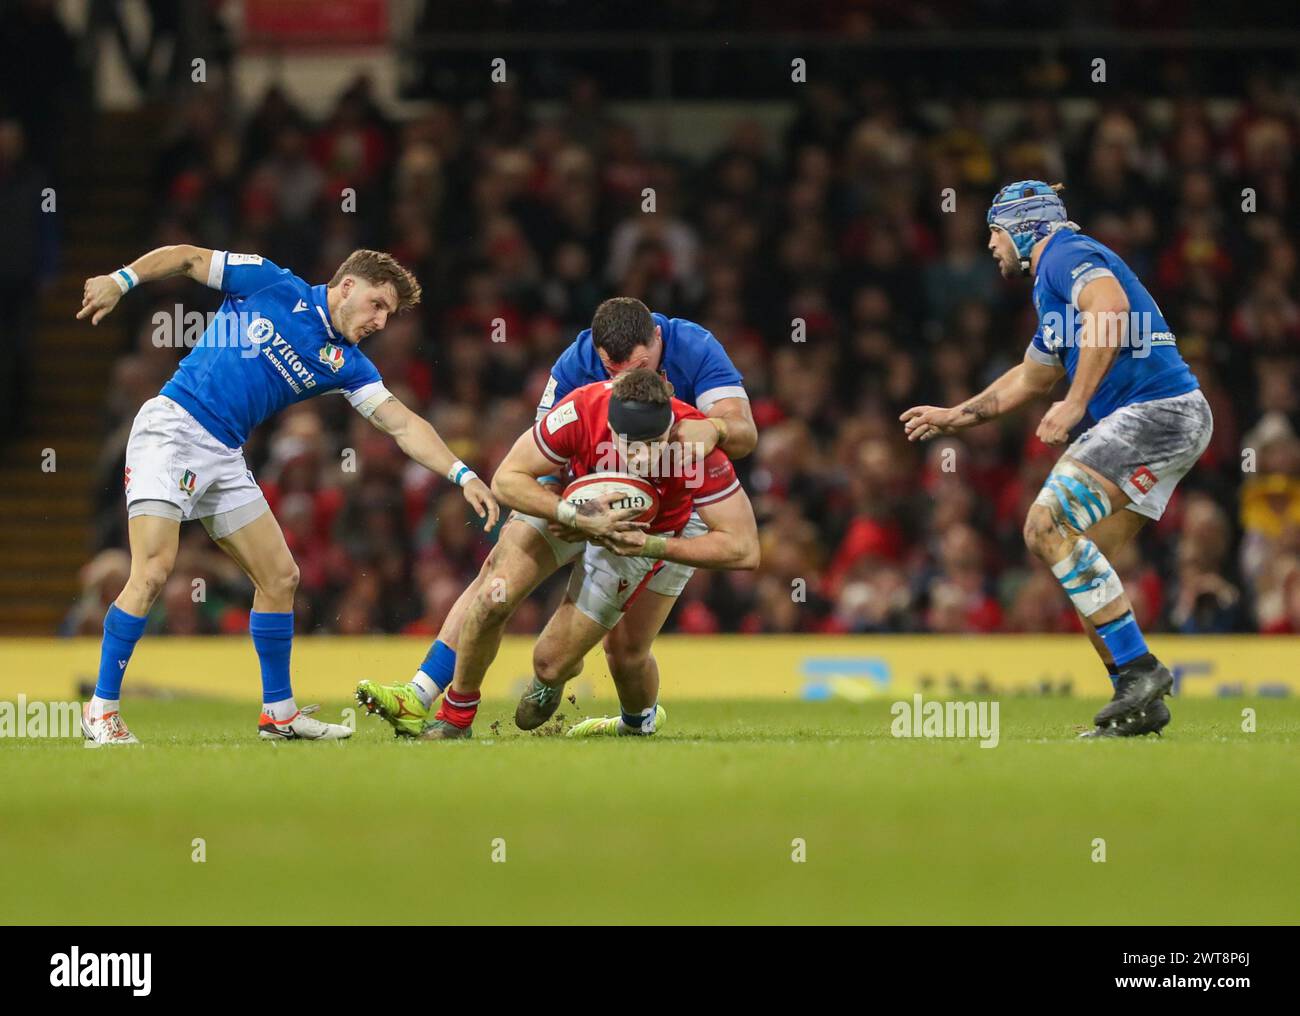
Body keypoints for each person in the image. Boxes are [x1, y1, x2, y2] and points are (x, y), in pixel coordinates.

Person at [76, 245, 498, 744]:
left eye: (389, 313)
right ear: (347, 287)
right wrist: (120, 280)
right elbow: (188, 258)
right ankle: (101, 711)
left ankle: (278, 713)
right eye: (378, 305)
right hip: (174, 429)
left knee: (280, 577)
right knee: (151, 572)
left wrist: (462, 474)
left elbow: (402, 423)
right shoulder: (270, 283)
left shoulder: (346, 362)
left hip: (225, 454)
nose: (381, 322)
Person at [357, 297, 757, 735]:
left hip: (668, 512)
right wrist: (566, 509)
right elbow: (527, 470)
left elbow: (744, 438)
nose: (624, 381)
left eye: (639, 367)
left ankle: (613, 710)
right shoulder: (578, 377)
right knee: (497, 585)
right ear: (599, 356)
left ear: (658, 339)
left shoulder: (695, 352)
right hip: (581, 491)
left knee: (624, 651)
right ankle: (426, 698)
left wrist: (715, 429)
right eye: (613, 371)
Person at [902, 181, 1213, 737]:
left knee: (1045, 524)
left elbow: (1111, 309)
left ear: (1022, 229)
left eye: (994, 232)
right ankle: (1137, 700)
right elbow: (1032, 377)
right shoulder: (1052, 290)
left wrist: (1076, 403)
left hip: (1157, 413)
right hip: (1177, 418)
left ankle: (1140, 671)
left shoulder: (1063, 254)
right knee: (1083, 563)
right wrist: (954, 415)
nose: (990, 246)